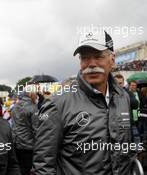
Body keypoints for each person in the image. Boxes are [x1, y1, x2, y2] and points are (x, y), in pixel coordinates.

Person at [33, 31, 135, 174]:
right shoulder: (57, 104)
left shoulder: (123, 97)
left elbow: (126, 146)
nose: (92, 64)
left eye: (98, 56)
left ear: (112, 60)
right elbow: (43, 165)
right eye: (85, 58)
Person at [11, 92, 39, 175]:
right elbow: (36, 128)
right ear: (32, 95)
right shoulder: (33, 107)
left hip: (15, 142)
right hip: (28, 144)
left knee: (18, 168)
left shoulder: (15, 106)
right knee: (27, 169)